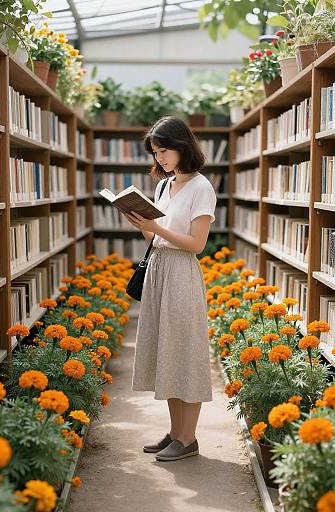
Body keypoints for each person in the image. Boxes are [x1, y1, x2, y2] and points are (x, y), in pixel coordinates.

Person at [124, 115, 217, 462]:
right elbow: (154, 238)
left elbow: (196, 244)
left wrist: (156, 228)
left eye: (164, 151)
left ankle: (188, 438)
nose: (160, 158)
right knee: (168, 354)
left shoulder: (201, 188)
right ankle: (176, 433)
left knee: (186, 356)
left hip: (181, 274)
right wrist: (138, 223)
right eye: (155, 153)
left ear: (182, 147)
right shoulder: (164, 185)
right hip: (159, 270)